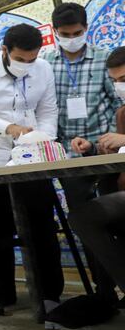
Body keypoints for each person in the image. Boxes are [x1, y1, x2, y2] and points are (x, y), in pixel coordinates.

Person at [0, 23, 63, 313]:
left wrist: (42, 139)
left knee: (42, 223)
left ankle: (50, 293)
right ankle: (3, 293)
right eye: (20, 59)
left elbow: (48, 109)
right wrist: (9, 128)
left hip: (31, 154)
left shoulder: (43, 69)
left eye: (32, 59)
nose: (27, 65)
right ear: (4, 50)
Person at [44, 2, 120, 302]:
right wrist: (66, 142)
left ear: (86, 29)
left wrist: (112, 139)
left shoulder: (103, 58)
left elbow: (116, 104)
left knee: (114, 219)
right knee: (85, 224)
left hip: (106, 154)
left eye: (78, 32)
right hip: (71, 155)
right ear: (55, 33)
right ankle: (104, 291)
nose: (72, 37)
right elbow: (49, 111)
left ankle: (120, 281)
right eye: (66, 33)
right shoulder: (47, 64)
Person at [68, 46, 125, 308]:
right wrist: (95, 147)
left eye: (123, 80)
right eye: (114, 82)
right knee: (84, 216)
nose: (118, 87)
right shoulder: (122, 113)